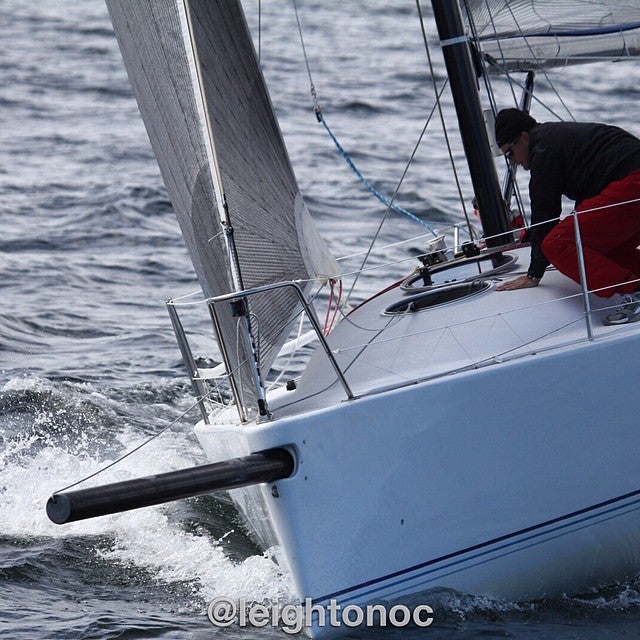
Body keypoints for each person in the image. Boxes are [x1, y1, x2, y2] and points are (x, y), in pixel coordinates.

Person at [493, 108, 640, 325]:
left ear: (524, 137)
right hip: (629, 182)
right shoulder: (555, 138)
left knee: (555, 245)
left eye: (510, 153)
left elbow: (545, 213)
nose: (512, 161)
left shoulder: (542, 148)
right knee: (593, 247)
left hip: (633, 184)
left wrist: (534, 274)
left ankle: (636, 293)